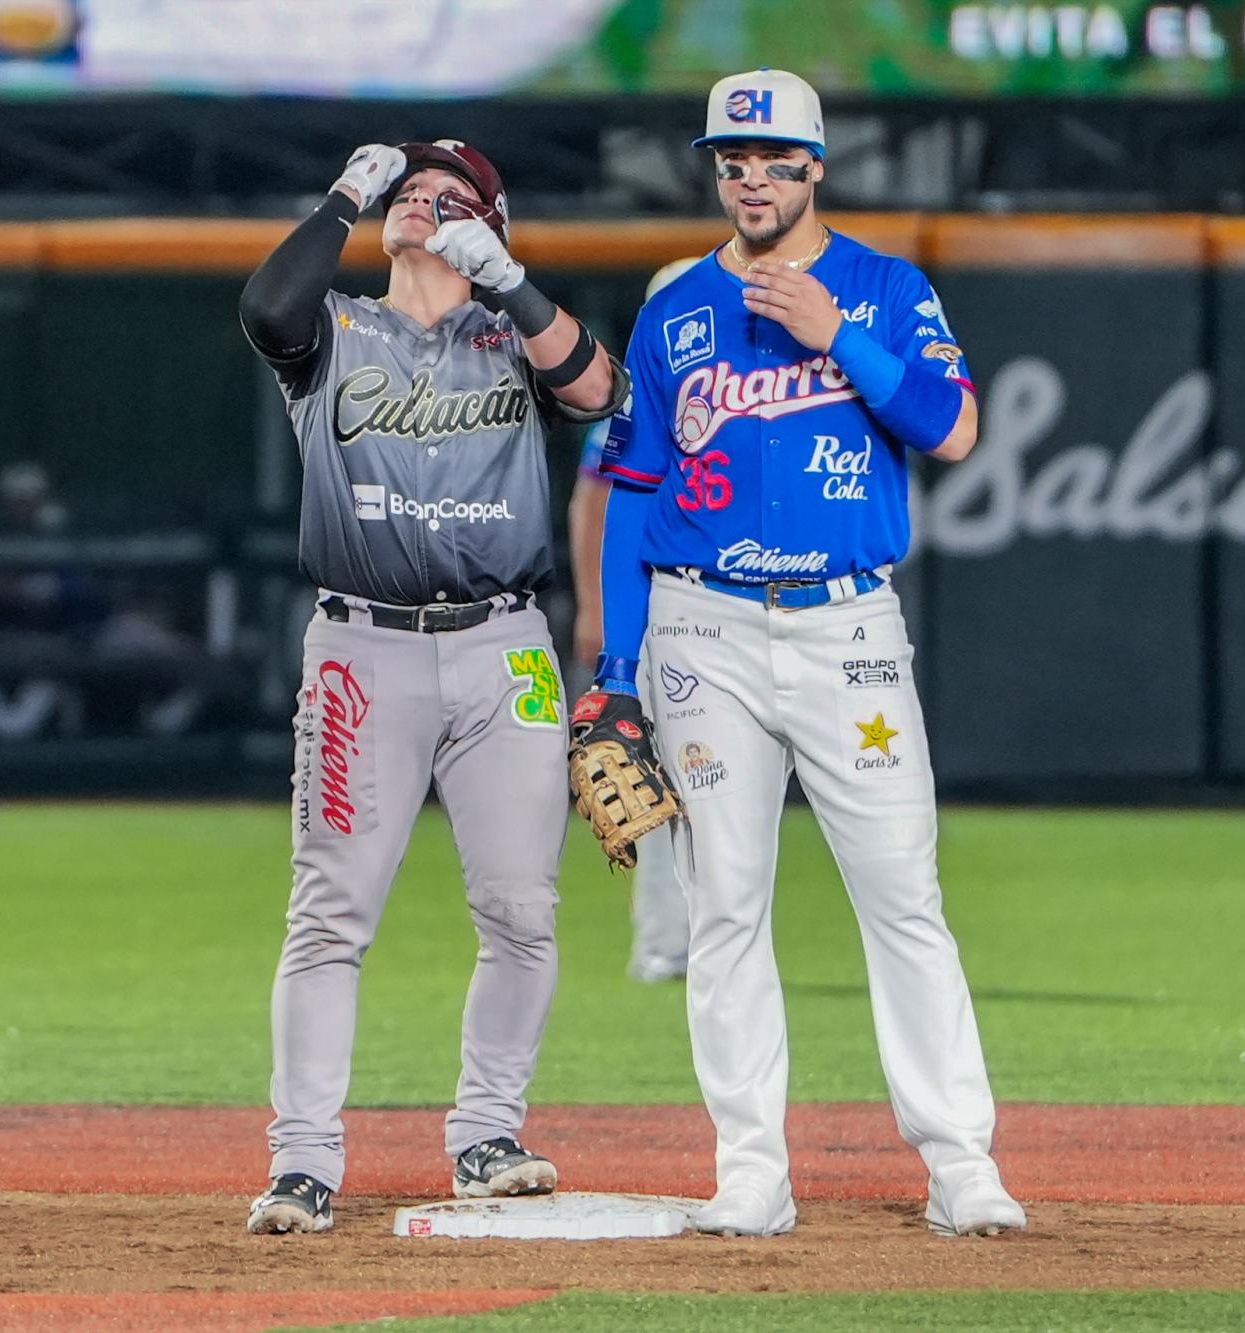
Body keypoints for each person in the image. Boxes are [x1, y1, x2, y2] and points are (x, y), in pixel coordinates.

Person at [580, 69, 1025, 1238]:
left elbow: (953, 426)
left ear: (814, 167)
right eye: (731, 159)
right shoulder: (674, 309)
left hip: (845, 625)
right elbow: (631, 496)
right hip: (701, 628)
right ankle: (749, 1169)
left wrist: (836, 337)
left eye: (774, 159)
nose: (751, 178)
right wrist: (615, 672)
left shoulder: (881, 286)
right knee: (724, 903)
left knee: (901, 893)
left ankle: (958, 1161)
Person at [236, 139, 626, 1234]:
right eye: (412, 194)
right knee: (330, 916)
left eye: (453, 198)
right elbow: (269, 308)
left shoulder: (513, 333)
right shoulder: (337, 328)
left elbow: (598, 390)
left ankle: (487, 1133)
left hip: (505, 647)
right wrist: (346, 198)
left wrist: (502, 273)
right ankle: (303, 1161)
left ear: (492, 229)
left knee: (521, 909)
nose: (425, 205)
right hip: (364, 649)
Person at [566, 256, 698, 984]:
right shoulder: (636, 396)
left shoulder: (743, 388)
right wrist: (594, 605)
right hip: (647, 611)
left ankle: (714, 937)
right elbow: (593, 502)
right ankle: (662, 940)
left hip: (716, 608)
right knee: (645, 779)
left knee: (715, 786)